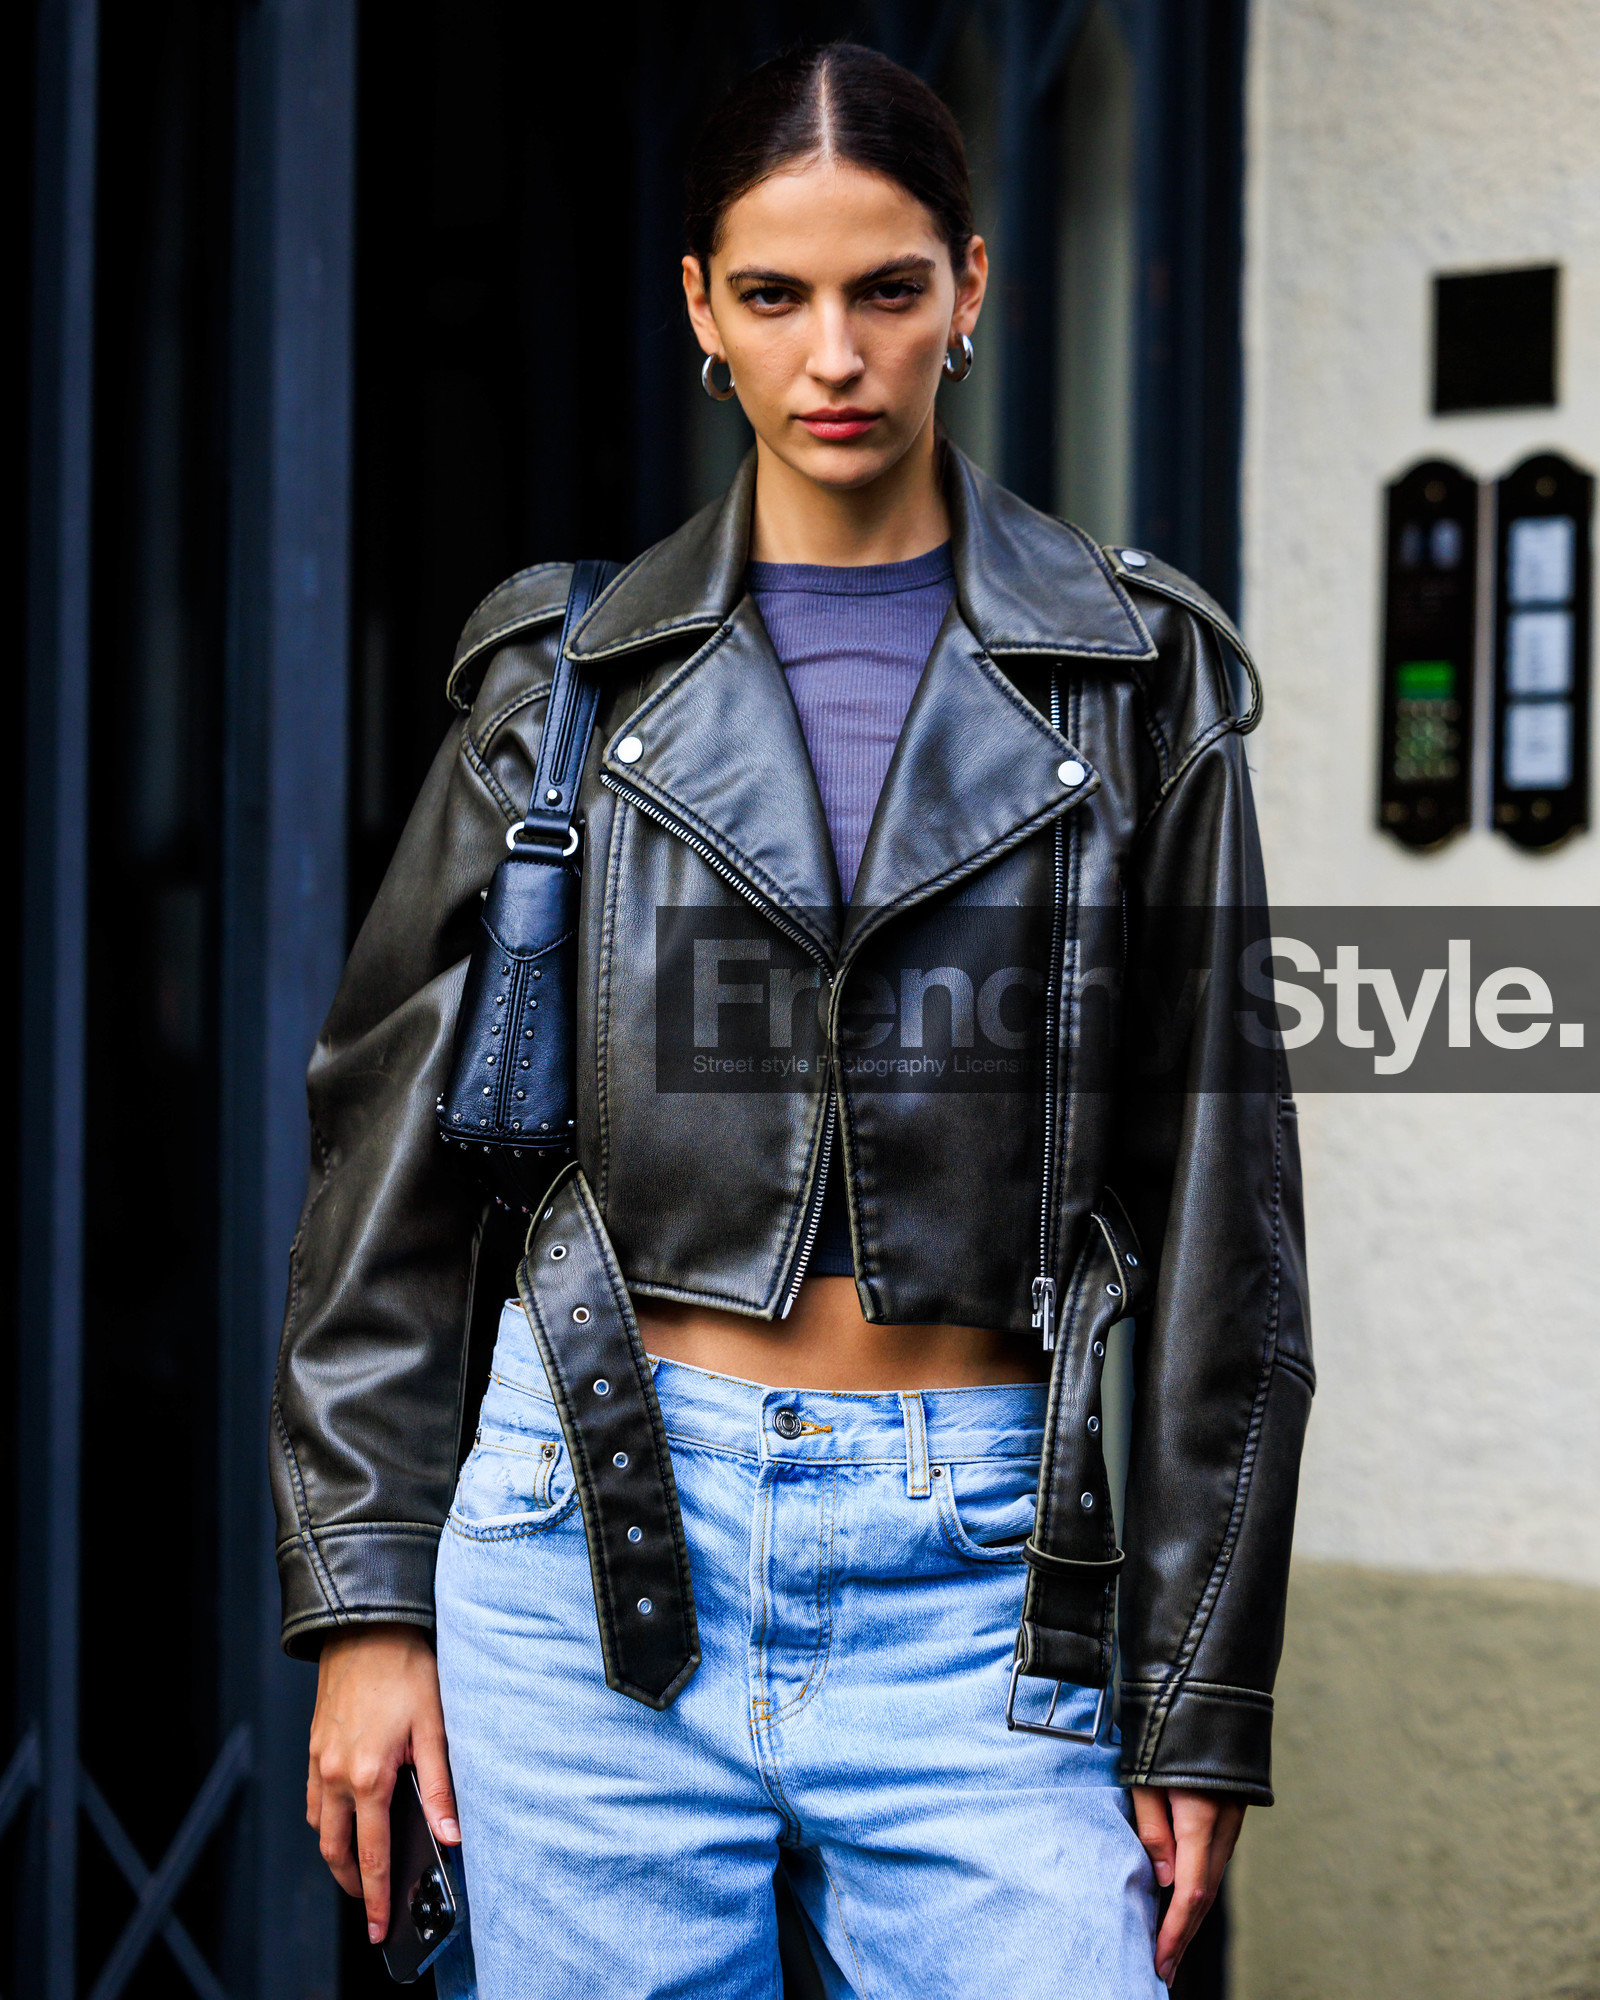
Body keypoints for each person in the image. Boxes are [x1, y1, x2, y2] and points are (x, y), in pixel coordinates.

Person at [278, 41, 1311, 1999]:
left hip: (994, 1571)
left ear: (970, 292)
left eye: (884, 289)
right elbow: (384, 1187)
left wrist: (1197, 1691)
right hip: (583, 1531)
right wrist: (363, 1607)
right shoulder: (558, 687)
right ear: (699, 309)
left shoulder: (1135, 680)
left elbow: (1219, 1229)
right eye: (773, 294)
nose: (830, 352)